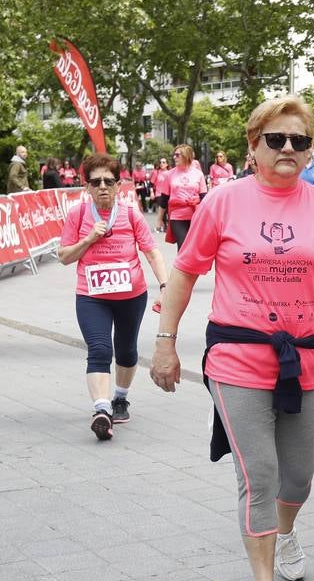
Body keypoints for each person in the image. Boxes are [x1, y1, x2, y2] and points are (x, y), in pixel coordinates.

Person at [150, 94, 314, 581]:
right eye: (276, 139)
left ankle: (287, 531)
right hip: (237, 358)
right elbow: (183, 273)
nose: (288, 149)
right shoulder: (224, 203)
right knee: (260, 474)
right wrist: (165, 342)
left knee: (298, 474)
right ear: (253, 146)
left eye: (300, 141)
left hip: (306, 359)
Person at [58, 154, 169, 441]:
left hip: (131, 295)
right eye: (96, 182)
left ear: (118, 185)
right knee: (99, 348)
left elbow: (151, 251)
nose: (103, 187)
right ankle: (101, 410)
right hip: (92, 296)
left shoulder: (130, 214)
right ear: (87, 187)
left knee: (127, 350)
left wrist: (165, 285)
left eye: (109, 181)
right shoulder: (78, 215)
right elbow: (64, 257)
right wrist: (88, 239)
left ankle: (120, 398)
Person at [165, 144, 207, 250]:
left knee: (195, 247)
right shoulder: (169, 174)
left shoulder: (198, 174)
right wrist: (160, 218)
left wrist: (200, 203)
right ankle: (181, 267)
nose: (174, 157)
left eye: (177, 155)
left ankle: (194, 267)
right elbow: (164, 197)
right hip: (176, 215)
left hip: (195, 215)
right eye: (174, 155)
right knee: (183, 245)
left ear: (186, 155)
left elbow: (204, 197)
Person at [153, 156, 172, 231]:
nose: (161, 164)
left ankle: (167, 225)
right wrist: (151, 192)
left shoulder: (170, 173)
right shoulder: (156, 172)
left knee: (168, 210)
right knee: (162, 211)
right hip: (159, 194)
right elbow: (151, 183)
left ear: (167, 164)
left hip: (168, 194)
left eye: (164, 162)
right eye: (160, 162)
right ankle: (165, 226)